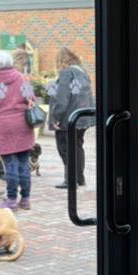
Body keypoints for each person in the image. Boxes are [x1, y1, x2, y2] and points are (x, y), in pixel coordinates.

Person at [0, 50, 38, 210]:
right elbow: (32, 99)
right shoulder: (21, 78)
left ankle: (12, 199)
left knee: (10, 165)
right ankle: (26, 199)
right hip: (22, 125)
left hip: (3, 126)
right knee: (23, 163)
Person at [48, 47, 93, 191]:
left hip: (69, 118)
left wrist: (55, 117)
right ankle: (79, 178)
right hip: (83, 117)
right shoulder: (82, 73)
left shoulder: (66, 73)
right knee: (78, 146)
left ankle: (70, 179)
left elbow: (62, 97)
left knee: (65, 149)